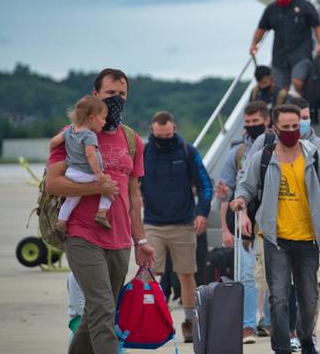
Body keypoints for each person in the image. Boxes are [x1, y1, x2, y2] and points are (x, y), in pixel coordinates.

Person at [45, 68, 155, 354]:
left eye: (122, 94)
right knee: (103, 308)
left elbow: (133, 195)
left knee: (99, 311)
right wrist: (98, 188)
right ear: (95, 96)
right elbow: (53, 184)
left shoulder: (132, 140)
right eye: (110, 94)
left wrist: (140, 241)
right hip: (83, 233)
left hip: (119, 239)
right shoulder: (73, 134)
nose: (116, 99)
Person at [231, 103, 320, 354]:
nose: (292, 131)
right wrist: (240, 202)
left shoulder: (313, 155)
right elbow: (246, 186)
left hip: (308, 238)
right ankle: (281, 347)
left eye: (296, 126)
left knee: (309, 297)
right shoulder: (264, 157)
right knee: (278, 298)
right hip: (275, 239)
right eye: (286, 127)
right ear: (275, 128)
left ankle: (305, 339)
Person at [141, 111, 212, 343]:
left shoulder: (187, 151)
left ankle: (190, 322)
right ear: (152, 131)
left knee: (186, 274)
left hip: (183, 223)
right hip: (153, 223)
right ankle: (149, 319)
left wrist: (202, 212)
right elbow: (131, 184)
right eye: (160, 135)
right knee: (148, 274)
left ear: (175, 129)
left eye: (168, 134)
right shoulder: (142, 153)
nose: (164, 139)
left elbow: (204, 183)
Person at [215, 100, 271, 344]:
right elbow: (226, 193)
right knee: (247, 275)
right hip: (242, 221)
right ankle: (247, 325)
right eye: (247, 123)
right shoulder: (236, 153)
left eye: (255, 122)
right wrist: (226, 227)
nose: (251, 126)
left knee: (273, 274)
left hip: (270, 219)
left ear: (267, 121)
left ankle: (268, 321)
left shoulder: (274, 147)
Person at [250, 0, 320, 96]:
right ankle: (284, 110)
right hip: (280, 56)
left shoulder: (304, 5)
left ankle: (304, 103)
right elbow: (261, 28)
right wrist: (254, 44)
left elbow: (317, 26)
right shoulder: (272, 9)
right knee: (280, 89)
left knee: (297, 82)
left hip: (301, 53)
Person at [50, 96, 112, 232]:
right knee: (109, 186)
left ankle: (61, 223)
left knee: (71, 201)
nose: (105, 122)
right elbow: (91, 155)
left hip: (72, 173)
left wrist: (51, 150)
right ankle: (101, 213)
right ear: (91, 118)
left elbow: (53, 142)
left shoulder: (70, 130)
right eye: (103, 118)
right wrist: (99, 174)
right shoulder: (89, 135)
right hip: (87, 173)